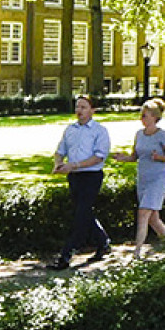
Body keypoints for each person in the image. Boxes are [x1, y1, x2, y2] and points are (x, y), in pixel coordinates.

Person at [50, 93, 111, 269]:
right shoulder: (70, 130)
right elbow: (60, 150)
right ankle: (103, 242)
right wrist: (59, 164)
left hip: (91, 177)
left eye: (84, 107)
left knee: (80, 215)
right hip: (74, 177)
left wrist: (74, 165)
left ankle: (66, 254)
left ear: (93, 110)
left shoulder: (100, 131)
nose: (79, 111)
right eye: (77, 107)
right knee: (83, 213)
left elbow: (99, 157)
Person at [128, 97, 165, 253]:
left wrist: (159, 157)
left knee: (143, 213)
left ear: (154, 117)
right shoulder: (139, 134)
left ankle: (137, 253)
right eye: (141, 115)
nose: (142, 118)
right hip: (143, 178)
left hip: (157, 178)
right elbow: (134, 156)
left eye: (145, 115)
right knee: (153, 218)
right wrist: (122, 157)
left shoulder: (163, 135)